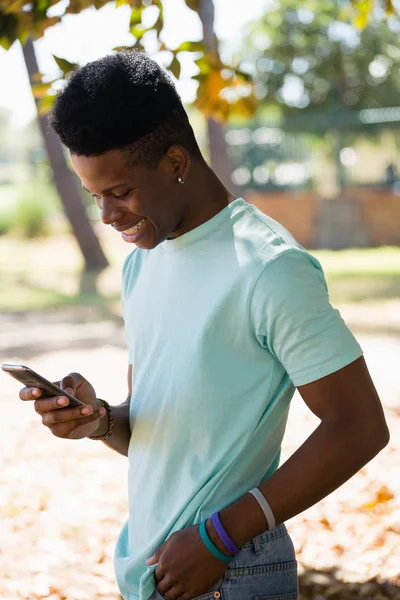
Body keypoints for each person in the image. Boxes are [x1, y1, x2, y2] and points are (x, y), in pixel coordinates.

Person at [19, 51, 389, 600]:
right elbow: (165, 437)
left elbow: (360, 426)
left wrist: (220, 536)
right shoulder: (142, 261)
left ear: (175, 162)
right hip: (151, 571)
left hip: (232, 573)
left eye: (119, 192)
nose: (107, 216)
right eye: (93, 195)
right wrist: (98, 421)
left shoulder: (269, 267)